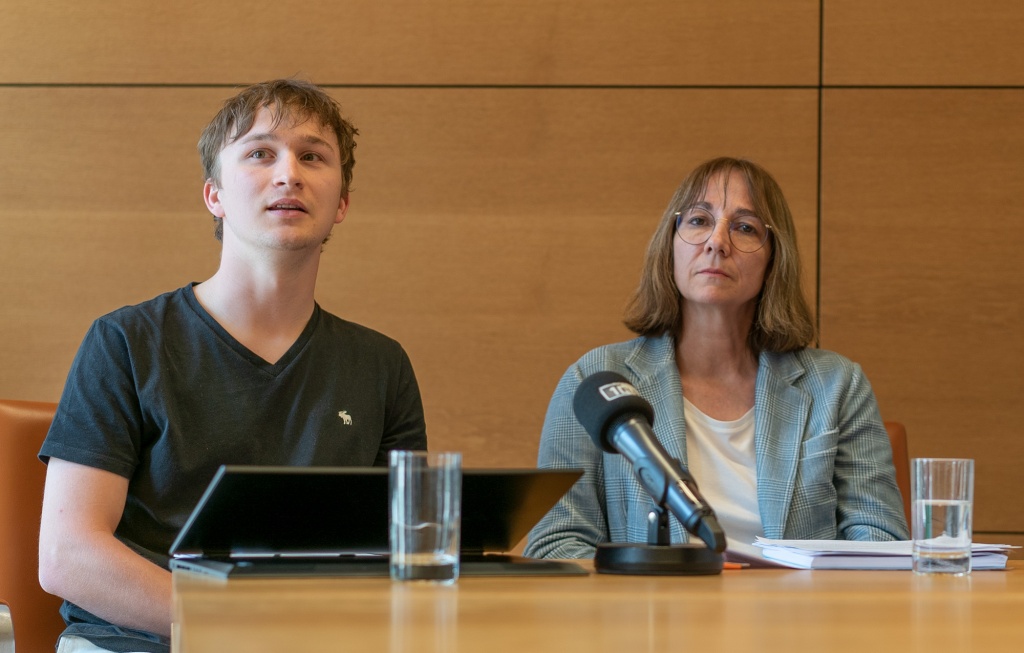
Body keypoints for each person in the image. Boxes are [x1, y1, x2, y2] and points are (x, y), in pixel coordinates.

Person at [38, 79, 427, 653]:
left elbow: (402, 552)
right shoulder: (124, 341)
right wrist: (242, 626)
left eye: (313, 157)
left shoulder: (381, 365)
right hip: (138, 642)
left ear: (342, 203)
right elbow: (67, 555)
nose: (289, 174)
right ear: (214, 195)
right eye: (260, 153)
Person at [524, 157, 908, 562]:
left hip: (795, 604)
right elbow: (557, 544)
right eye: (698, 220)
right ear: (670, 244)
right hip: (653, 603)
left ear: (774, 259)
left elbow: (880, 540)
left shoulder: (837, 386)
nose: (717, 242)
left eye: (745, 228)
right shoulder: (596, 381)